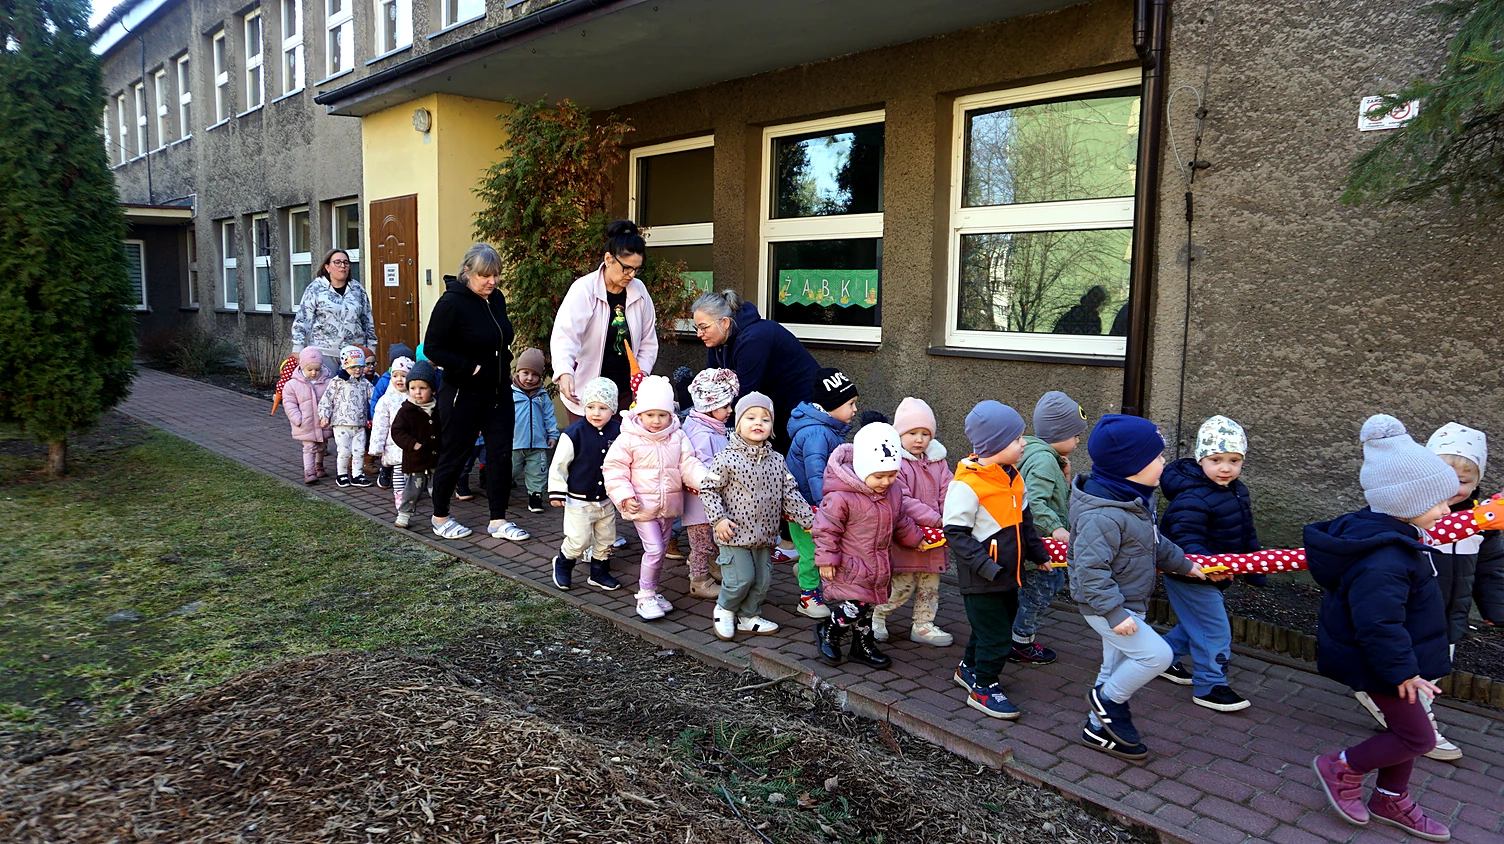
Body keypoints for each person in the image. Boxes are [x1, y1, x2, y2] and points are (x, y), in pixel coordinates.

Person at [1306, 415, 1457, 841]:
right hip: (1382, 664)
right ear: (1408, 501)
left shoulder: (1397, 537)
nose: (1447, 510)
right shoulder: (1385, 559)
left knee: (1405, 731)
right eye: (1439, 502)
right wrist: (1402, 671)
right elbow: (1378, 624)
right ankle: (1341, 767)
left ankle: (1390, 797)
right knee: (1419, 738)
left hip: (1395, 660)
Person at [1355, 421, 1496, 762]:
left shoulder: (1483, 525)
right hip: (1414, 615)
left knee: (1434, 668)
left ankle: (1398, 714)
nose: (1452, 493)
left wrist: (1496, 609)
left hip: (1449, 615)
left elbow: (1491, 569)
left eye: (1463, 482)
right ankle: (1418, 728)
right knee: (1412, 672)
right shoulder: (1406, 523)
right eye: (1443, 481)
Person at [1070, 414, 1207, 760]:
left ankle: (1097, 729)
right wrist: (1114, 613)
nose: (1164, 463)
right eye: (1157, 457)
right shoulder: (1102, 515)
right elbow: (1090, 571)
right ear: (1130, 467)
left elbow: (1154, 543)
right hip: (1106, 607)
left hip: (1127, 602)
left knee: (1114, 666)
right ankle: (1107, 701)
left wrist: (1185, 564)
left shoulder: (1135, 501)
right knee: (1157, 655)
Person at [943, 401, 1049, 720]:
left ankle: (968, 668)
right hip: (982, 577)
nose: (1024, 443)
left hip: (1008, 575)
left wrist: (1038, 553)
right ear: (995, 444)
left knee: (987, 628)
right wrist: (985, 566)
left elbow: (1024, 522)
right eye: (1017, 439)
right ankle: (984, 687)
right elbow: (956, 533)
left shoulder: (1013, 477)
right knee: (997, 635)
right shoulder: (967, 484)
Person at [422, 243, 530, 542]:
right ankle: (440, 517)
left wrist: (503, 368)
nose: (492, 281)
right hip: (463, 393)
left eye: (496, 275)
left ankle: (498, 520)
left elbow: (500, 340)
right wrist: (469, 368)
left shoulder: (496, 299)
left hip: (498, 393)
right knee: (455, 455)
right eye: (485, 275)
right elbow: (432, 348)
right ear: (467, 271)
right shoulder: (451, 303)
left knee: (500, 456)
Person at [1155, 415, 1257, 713]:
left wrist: (1253, 569)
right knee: (1214, 630)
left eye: (1234, 460)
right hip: (1190, 574)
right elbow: (1184, 538)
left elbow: (1246, 530)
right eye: (1216, 460)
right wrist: (1208, 567)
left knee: (1195, 625)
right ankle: (1210, 685)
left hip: (1216, 573)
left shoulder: (1236, 490)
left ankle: (1160, 660)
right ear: (1201, 460)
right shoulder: (1193, 497)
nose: (1226, 468)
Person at [701, 393, 814, 641]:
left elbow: (790, 493)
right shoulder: (726, 458)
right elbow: (708, 490)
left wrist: (811, 522)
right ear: (738, 423)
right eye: (750, 417)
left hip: (765, 535)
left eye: (765, 419)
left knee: (762, 581)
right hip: (733, 534)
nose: (758, 423)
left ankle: (749, 616)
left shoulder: (777, 460)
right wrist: (718, 519)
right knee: (741, 579)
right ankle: (725, 609)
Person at [813, 422, 925, 670]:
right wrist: (826, 559)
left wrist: (915, 538)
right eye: (879, 476)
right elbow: (825, 529)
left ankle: (861, 644)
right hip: (851, 563)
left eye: (892, 475)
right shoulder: (841, 496)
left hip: (878, 563)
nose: (886, 481)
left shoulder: (893, 492)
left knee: (869, 606)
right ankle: (830, 628)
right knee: (858, 605)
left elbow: (900, 520)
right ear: (863, 469)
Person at [602, 375, 707, 620]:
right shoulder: (629, 438)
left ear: (671, 414)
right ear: (640, 413)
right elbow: (614, 469)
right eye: (650, 414)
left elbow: (688, 464)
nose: (656, 421)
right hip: (641, 506)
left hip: (668, 507)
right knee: (654, 549)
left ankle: (653, 590)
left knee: (658, 552)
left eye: (662, 415)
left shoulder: (677, 436)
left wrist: (705, 481)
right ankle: (645, 595)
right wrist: (624, 496)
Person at [551, 220, 659, 422]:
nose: (631, 275)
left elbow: (648, 340)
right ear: (608, 259)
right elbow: (565, 336)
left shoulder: (640, 291)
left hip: (626, 392)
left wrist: (641, 375)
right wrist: (565, 372)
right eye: (626, 268)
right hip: (588, 392)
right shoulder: (584, 289)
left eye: (637, 269)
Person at [1012, 391, 1088, 665]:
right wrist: (1056, 528)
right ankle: (1020, 641)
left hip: (1031, 542)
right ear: (1059, 433)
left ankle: (1012, 632)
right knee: (1039, 592)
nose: (1078, 440)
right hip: (1040, 545)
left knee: (1038, 587)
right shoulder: (1044, 459)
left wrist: (1063, 478)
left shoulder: (1035, 452)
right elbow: (1033, 502)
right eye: (1075, 434)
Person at [873, 398, 954, 647]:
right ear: (900, 434)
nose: (919, 439)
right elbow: (903, 499)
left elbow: (949, 489)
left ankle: (923, 624)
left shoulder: (938, 461)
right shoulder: (896, 462)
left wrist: (950, 515)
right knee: (903, 583)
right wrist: (935, 518)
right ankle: (876, 616)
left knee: (930, 584)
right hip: (909, 534)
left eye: (925, 434)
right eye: (912, 433)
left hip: (936, 536)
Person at [691, 288, 819, 443]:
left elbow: (745, 393)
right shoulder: (717, 341)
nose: (699, 334)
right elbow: (711, 387)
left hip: (800, 406)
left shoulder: (753, 340)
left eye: (704, 327)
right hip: (771, 407)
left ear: (724, 323)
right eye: (697, 328)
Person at [786, 368, 860, 619]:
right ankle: (807, 597)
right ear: (832, 405)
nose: (855, 409)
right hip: (806, 507)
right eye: (850, 403)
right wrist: (826, 508)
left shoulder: (828, 430)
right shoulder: (817, 434)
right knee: (814, 553)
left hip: (818, 505)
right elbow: (816, 475)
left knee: (817, 550)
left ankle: (805, 573)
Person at [548, 378, 624, 591]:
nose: (596, 413)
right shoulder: (574, 433)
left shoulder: (619, 431)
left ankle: (599, 572)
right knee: (579, 539)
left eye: (603, 408)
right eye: (591, 407)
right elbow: (559, 465)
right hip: (579, 500)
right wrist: (557, 491)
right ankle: (563, 562)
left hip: (606, 498)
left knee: (607, 538)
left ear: (613, 409)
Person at [681, 369, 741, 600]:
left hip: (709, 503)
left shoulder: (709, 428)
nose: (730, 410)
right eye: (725, 406)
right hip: (700, 505)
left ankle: (712, 568)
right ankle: (699, 581)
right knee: (701, 544)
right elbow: (704, 471)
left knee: (711, 541)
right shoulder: (702, 434)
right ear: (709, 405)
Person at [291, 248, 378, 365]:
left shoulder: (357, 289)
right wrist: (297, 347)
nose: (342, 266)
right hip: (324, 353)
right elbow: (302, 319)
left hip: (354, 353)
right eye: (337, 262)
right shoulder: (315, 289)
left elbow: (367, 321)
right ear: (327, 267)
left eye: (346, 263)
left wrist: (371, 348)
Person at [388, 362, 441, 530]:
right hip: (416, 460)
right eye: (412, 388)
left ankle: (441, 515)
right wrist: (412, 444)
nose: (417, 392)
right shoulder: (406, 410)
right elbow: (397, 431)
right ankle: (404, 514)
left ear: (432, 390)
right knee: (412, 490)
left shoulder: (438, 408)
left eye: (422, 388)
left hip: (435, 459)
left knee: (439, 490)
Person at [317, 345, 374, 488]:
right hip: (341, 423)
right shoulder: (337, 382)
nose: (357, 370)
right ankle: (342, 474)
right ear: (345, 366)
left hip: (360, 423)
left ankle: (357, 474)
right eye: (353, 367)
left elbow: (373, 398)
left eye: (360, 367)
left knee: (359, 451)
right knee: (344, 451)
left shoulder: (364, 383)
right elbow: (326, 400)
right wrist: (324, 416)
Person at [511, 347, 559, 515]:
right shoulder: (511, 394)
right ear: (518, 372)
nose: (530, 378)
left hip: (538, 443)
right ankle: (500, 489)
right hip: (514, 443)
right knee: (509, 470)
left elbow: (549, 416)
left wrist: (552, 435)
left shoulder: (543, 396)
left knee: (538, 472)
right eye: (525, 373)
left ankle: (535, 497)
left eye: (535, 375)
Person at [282, 347, 332, 484]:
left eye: (317, 369)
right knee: (309, 448)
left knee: (322, 445)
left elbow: (333, 400)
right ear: (302, 366)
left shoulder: (328, 383)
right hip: (306, 423)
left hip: (323, 422)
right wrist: (297, 419)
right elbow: (289, 403)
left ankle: (319, 466)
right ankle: (309, 472)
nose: (314, 373)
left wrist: (329, 416)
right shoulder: (293, 385)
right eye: (310, 369)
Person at [368, 356, 413, 508]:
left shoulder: (415, 398)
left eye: (404, 376)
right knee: (399, 470)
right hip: (394, 444)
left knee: (411, 472)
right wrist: (376, 447)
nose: (399, 379)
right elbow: (380, 426)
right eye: (395, 375)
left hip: (412, 444)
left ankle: (410, 493)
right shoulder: (386, 400)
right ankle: (399, 495)